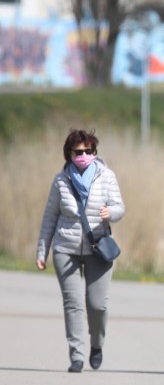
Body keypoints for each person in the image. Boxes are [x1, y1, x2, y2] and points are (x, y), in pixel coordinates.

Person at [36, 129, 126, 372]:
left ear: (95, 153)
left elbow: (120, 207)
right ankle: (76, 355)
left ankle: (97, 344)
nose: (85, 155)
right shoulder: (61, 180)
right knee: (73, 303)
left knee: (97, 305)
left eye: (89, 151)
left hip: (99, 248)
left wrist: (112, 213)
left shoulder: (106, 177)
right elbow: (49, 218)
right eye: (79, 151)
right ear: (69, 154)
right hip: (66, 248)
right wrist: (42, 251)